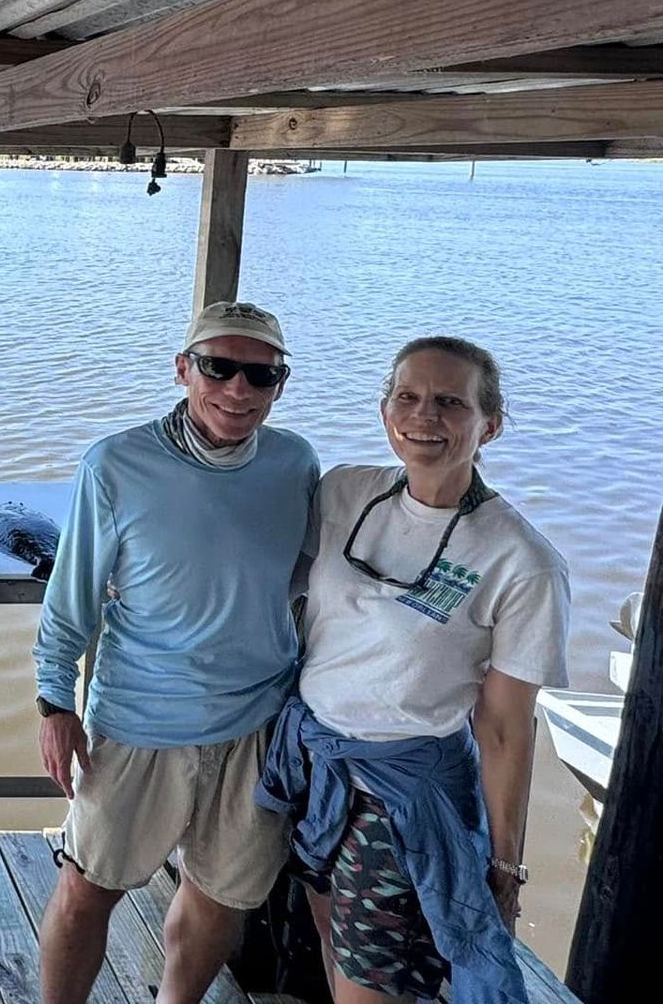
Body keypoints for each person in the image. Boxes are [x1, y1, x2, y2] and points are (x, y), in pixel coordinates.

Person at [258, 338, 571, 1004]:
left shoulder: (522, 560)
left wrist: (505, 861)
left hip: (404, 795)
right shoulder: (345, 491)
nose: (424, 415)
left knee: (374, 982)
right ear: (385, 411)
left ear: (490, 425)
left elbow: (504, 726)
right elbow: (271, 585)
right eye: (408, 396)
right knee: (331, 941)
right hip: (316, 765)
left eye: (450, 402)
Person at [33, 300, 320, 1004]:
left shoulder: (295, 462)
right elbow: (70, 599)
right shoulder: (115, 464)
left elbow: (305, 583)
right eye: (218, 368)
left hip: (257, 725)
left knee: (221, 894)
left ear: (280, 385)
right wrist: (54, 702)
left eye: (261, 375)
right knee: (85, 889)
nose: (238, 389)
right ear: (183, 369)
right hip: (139, 720)